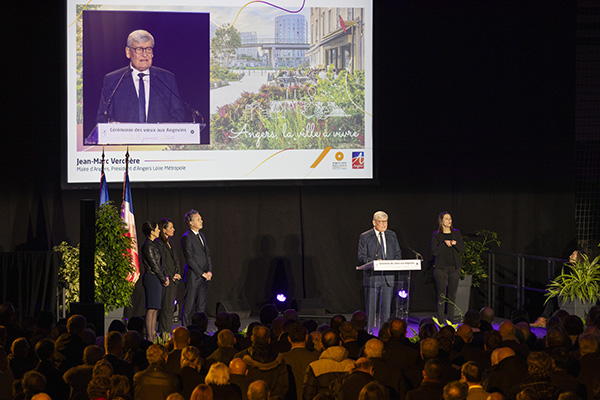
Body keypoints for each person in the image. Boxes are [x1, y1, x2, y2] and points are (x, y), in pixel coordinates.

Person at [96, 29, 184, 124]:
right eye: (139, 49)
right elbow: (102, 117)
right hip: (125, 138)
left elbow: (177, 114)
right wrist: (114, 126)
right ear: (128, 52)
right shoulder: (113, 80)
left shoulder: (167, 79)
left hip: (160, 138)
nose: (145, 54)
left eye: (148, 49)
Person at [358, 211, 403, 329]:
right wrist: (374, 262)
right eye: (380, 222)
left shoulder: (392, 235)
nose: (383, 224)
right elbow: (362, 256)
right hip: (373, 278)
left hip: (388, 278)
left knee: (386, 312)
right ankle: (369, 334)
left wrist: (394, 263)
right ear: (374, 222)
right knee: (371, 311)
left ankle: (385, 335)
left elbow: (398, 254)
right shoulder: (365, 236)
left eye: (385, 222)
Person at [431, 211, 465, 323]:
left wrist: (456, 244)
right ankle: (441, 320)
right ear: (441, 221)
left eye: (450, 218)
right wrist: (443, 244)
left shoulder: (456, 233)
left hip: (454, 267)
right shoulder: (436, 234)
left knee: (452, 295)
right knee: (441, 295)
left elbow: (463, 250)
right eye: (446, 219)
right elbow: (434, 252)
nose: (449, 221)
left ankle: (451, 320)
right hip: (441, 268)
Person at [181, 210, 213, 326]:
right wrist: (201, 273)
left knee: (201, 306)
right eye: (198, 219)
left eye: (201, 219)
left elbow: (207, 254)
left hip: (204, 276)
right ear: (191, 223)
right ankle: (185, 330)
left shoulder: (202, 236)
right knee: (189, 306)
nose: (201, 221)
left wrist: (209, 271)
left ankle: (200, 329)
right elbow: (189, 259)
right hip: (194, 276)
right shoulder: (187, 237)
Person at [141, 221, 170, 340]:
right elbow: (154, 265)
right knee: (151, 308)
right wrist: (163, 279)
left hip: (157, 277)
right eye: (157, 229)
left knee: (155, 308)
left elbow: (161, 264)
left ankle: (152, 335)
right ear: (152, 231)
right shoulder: (147, 246)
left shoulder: (155, 244)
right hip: (151, 278)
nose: (159, 231)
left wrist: (165, 276)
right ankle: (149, 337)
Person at [157, 218, 182, 336]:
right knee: (166, 308)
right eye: (170, 227)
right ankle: (163, 334)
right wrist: (170, 275)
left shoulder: (170, 242)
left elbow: (175, 259)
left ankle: (167, 332)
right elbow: (163, 263)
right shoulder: (159, 243)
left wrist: (177, 272)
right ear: (164, 229)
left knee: (171, 307)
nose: (173, 229)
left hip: (174, 279)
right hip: (167, 279)